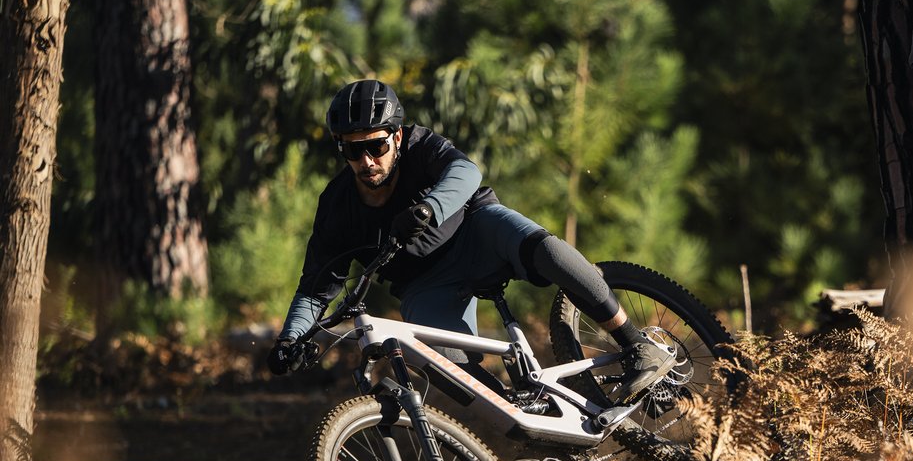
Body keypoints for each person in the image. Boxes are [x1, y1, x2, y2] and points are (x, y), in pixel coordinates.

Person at [267, 79, 675, 405]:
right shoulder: (337, 206)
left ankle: (636, 345)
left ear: (396, 137)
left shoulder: (421, 145)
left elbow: (467, 172)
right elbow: (316, 286)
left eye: (376, 145)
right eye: (354, 151)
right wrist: (290, 338)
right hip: (424, 284)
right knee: (442, 365)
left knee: (548, 251)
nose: (367, 161)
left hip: (478, 232)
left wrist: (429, 208)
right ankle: (525, 423)